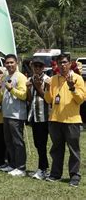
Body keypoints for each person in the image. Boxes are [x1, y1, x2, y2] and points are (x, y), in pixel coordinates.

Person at [45, 54, 85, 187]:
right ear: (57, 64)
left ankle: (74, 176)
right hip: (55, 120)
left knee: (74, 150)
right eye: (60, 63)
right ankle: (56, 174)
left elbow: (80, 100)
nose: (62, 65)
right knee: (56, 149)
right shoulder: (53, 79)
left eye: (65, 62)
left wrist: (72, 88)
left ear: (70, 63)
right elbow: (48, 100)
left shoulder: (78, 79)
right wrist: (45, 88)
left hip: (72, 120)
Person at [0, 54, 28, 177]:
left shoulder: (20, 77)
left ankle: (21, 167)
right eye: (7, 63)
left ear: (16, 63)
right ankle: (12, 164)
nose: (9, 65)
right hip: (7, 113)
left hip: (16, 115)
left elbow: (24, 95)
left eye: (11, 62)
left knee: (17, 142)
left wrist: (11, 89)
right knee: (8, 141)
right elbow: (2, 96)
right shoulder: (6, 77)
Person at [26, 57, 51, 180]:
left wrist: (37, 86)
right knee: (37, 143)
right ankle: (43, 167)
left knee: (42, 143)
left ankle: (43, 169)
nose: (37, 68)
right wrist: (28, 88)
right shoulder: (30, 79)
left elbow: (47, 98)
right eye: (35, 66)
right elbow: (29, 99)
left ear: (44, 68)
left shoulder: (48, 80)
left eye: (40, 66)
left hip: (44, 116)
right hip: (34, 115)